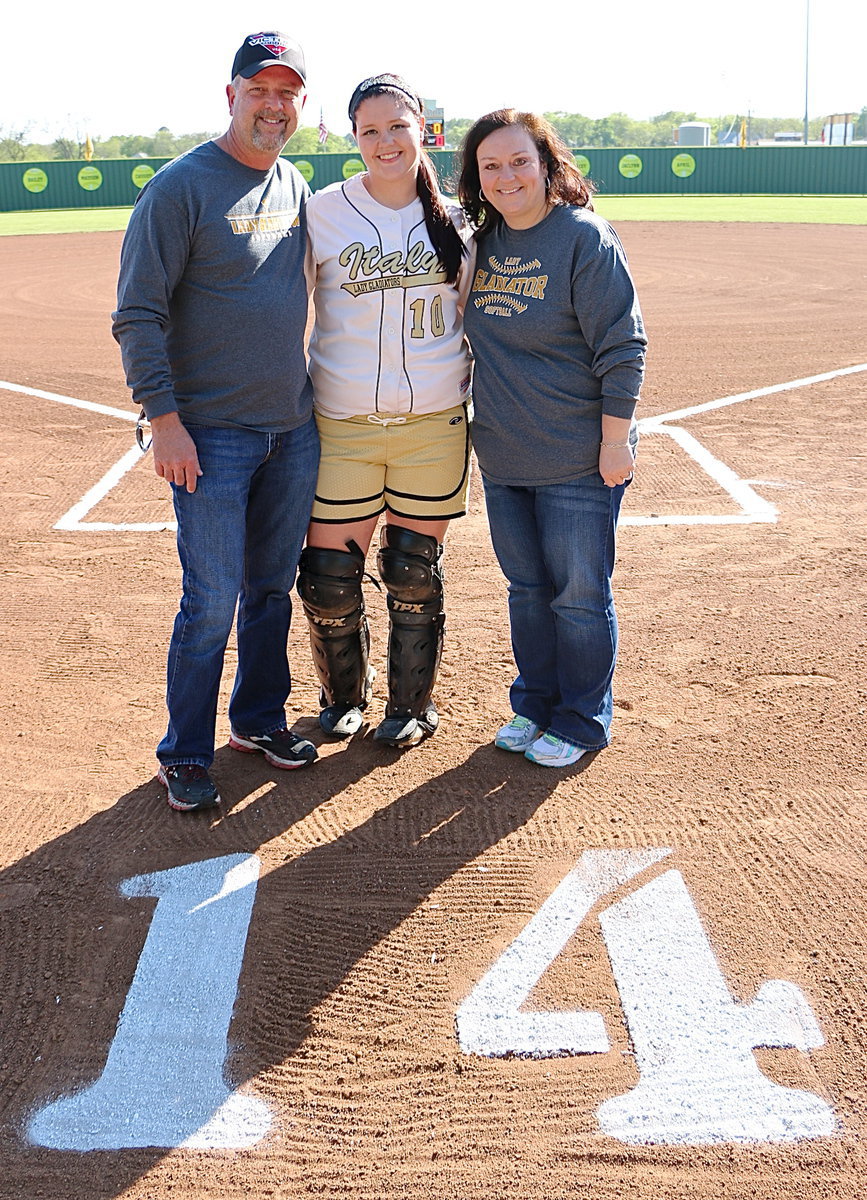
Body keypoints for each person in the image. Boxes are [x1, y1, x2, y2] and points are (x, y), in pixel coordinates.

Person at [112, 32, 320, 812]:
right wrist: (162, 420)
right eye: (259, 90)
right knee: (211, 597)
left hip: (292, 428)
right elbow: (136, 314)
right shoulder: (179, 188)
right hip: (213, 436)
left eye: (287, 93)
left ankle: (258, 721)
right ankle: (184, 752)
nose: (273, 106)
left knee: (270, 588)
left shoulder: (295, 182)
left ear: (300, 104)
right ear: (230, 94)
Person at [457, 110, 646, 768]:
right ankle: (534, 703)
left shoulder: (582, 239)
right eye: (491, 166)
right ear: (476, 179)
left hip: (575, 458)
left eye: (518, 161)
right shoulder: (482, 245)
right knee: (528, 592)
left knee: (578, 595)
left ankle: (581, 718)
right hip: (505, 458)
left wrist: (614, 442)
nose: (506, 176)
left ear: (545, 165)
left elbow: (622, 348)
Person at [297, 73, 473, 749]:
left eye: (396, 126)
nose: (384, 141)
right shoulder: (323, 212)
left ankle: (410, 707)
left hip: (432, 425)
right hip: (341, 425)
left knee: (410, 570)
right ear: (354, 139)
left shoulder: (460, 218)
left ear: (421, 127)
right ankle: (342, 696)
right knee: (326, 579)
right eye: (368, 130)